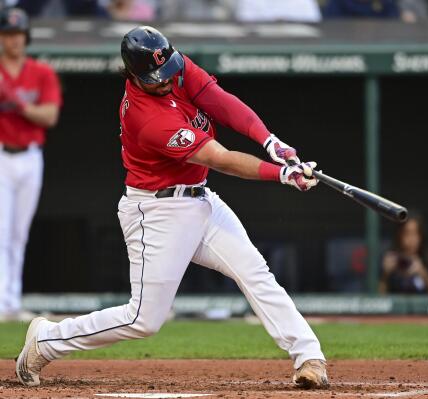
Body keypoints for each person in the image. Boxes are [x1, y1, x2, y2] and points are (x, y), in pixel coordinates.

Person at [15, 26, 328, 390]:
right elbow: (220, 158)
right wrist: (282, 174)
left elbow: (220, 101)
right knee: (143, 320)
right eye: (155, 77)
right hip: (157, 212)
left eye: (168, 71)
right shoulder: (147, 118)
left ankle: (308, 356)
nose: (166, 81)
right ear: (133, 74)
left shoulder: (173, 67)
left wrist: (270, 141)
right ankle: (48, 339)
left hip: (201, 200)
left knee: (254, 271)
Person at [0, 8, 61, 321]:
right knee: (1, 230)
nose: (14, 40)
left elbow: (49, 116)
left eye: (18, 34)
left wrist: (17, 102)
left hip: (31, 155)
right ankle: (2, 302)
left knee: (18, 234)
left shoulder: (41, 72)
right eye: (8, 34)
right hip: (1, 155)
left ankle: (10, 303)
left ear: (26, 36)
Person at [379, 216, 428, 294]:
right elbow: (377, 298)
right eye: (407, 234)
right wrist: (385, 275)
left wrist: (423, 274)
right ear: (399, 236)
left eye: (415, 234)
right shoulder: (391, 259)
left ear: (421, 236)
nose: (411, 239)